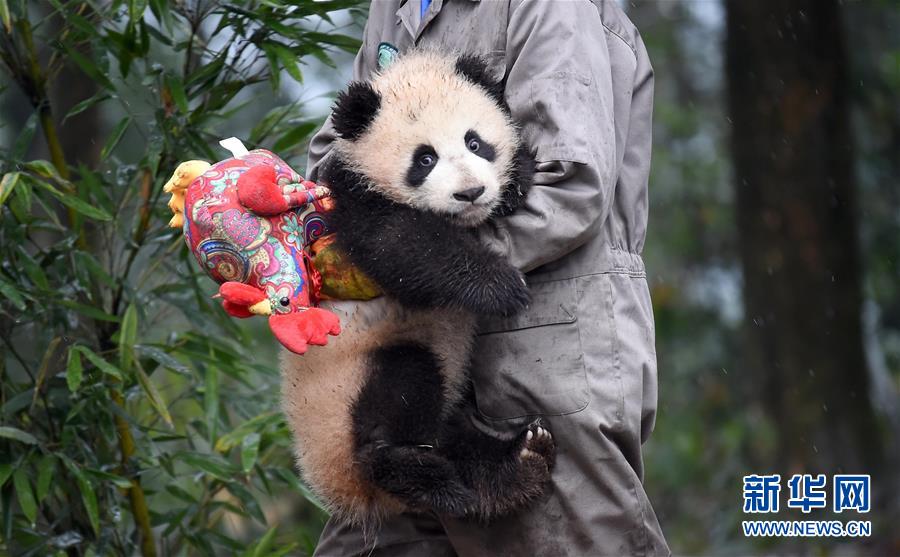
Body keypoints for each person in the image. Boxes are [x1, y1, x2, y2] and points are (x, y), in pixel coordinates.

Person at [304, 0, 669, 555]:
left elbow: (571, 187)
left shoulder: (551, 9)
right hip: (405, 369)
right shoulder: (397, 8)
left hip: (544, 348)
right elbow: (342, 152)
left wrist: (420, 261)